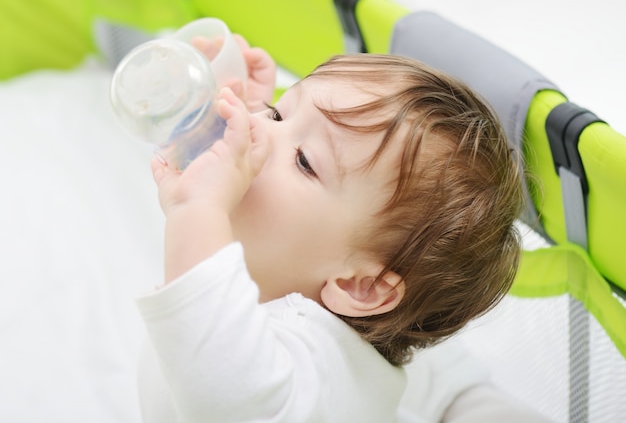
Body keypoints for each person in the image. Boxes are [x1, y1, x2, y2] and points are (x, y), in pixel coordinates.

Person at [136, 35, 526, 422]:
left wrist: (197, 208)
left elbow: (219, 382)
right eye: (277, 113)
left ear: (362, 287)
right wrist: (238, 112)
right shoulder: (282, 282)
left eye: (304, 161)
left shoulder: (316, 375)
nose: (254, 130)